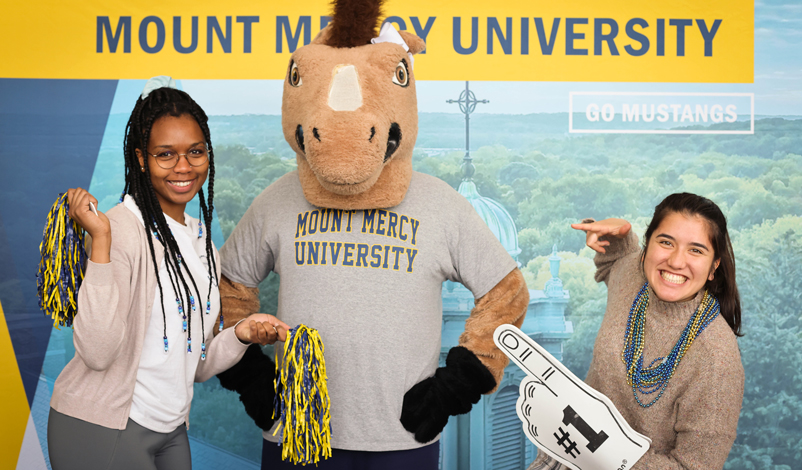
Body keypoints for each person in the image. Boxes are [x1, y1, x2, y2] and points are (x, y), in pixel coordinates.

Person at [47, 78, 290, 470]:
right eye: (166, 154)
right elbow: (96, 352)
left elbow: (196, 365)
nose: (184, 167)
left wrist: (240, 335)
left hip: (171, 429)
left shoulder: (201, 243)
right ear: (142, 159)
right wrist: (102, 243)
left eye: (195, 151)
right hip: (101, 427)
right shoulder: (120, 231)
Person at [529, 192, 744, 470]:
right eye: (666, 242)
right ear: (647, 247)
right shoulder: (634, 276)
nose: (676, 262)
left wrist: (603, 452)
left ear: (714, 266)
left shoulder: (717, 362)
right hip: (559, 457)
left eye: (696, 250)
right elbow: (618, 260)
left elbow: (694, 467)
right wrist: (620, 236)